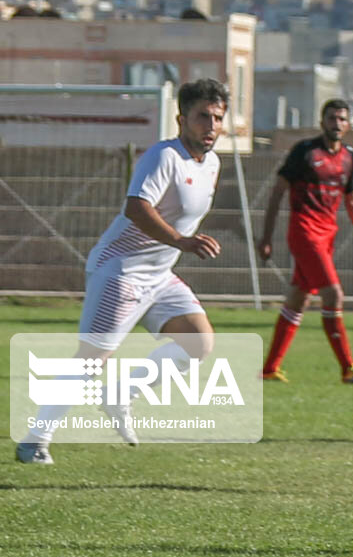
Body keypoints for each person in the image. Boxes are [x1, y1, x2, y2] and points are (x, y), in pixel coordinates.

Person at [16, 79, 229, 464]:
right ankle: (35, 439)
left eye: (217, 118)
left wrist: (178, 245)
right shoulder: (163, 156)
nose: (211, 125)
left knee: (199, 342)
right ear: (182, 119)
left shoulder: (212, 164)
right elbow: (136, 208)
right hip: (121, 271)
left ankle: (121, 394)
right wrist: (182, 242)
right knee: (91, 358)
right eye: (202, 116)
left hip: (159, 276)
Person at [257, 99, 353, 384]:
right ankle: (347, 367)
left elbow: (352, 201)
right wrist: (266, 236)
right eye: (331, 118)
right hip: (304, 233)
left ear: (348, 125)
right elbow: (278, 192)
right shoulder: (304, 152)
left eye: (341, 119)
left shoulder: (350, 156)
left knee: (297, 299)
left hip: (327, 235)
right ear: (322, 121)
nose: (336, 123)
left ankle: (269, 369)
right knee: (334, 295)